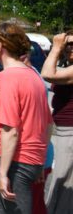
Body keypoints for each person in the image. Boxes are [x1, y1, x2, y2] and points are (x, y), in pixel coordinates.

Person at [0, 22, 52, 214]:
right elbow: (48, 124)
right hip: (32, 159)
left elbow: (10, 129)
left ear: (0, 45)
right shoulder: (33, 76)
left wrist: (2, 173)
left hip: (17, 160)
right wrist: (40, 161)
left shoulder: (6, 77)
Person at [41, 31, 73, 213]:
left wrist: (56, 48)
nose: (69, 48)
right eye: (67, 44)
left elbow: (47, 74)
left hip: (70, 134)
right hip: (65, 132)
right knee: (65, 183)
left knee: (62, 182)